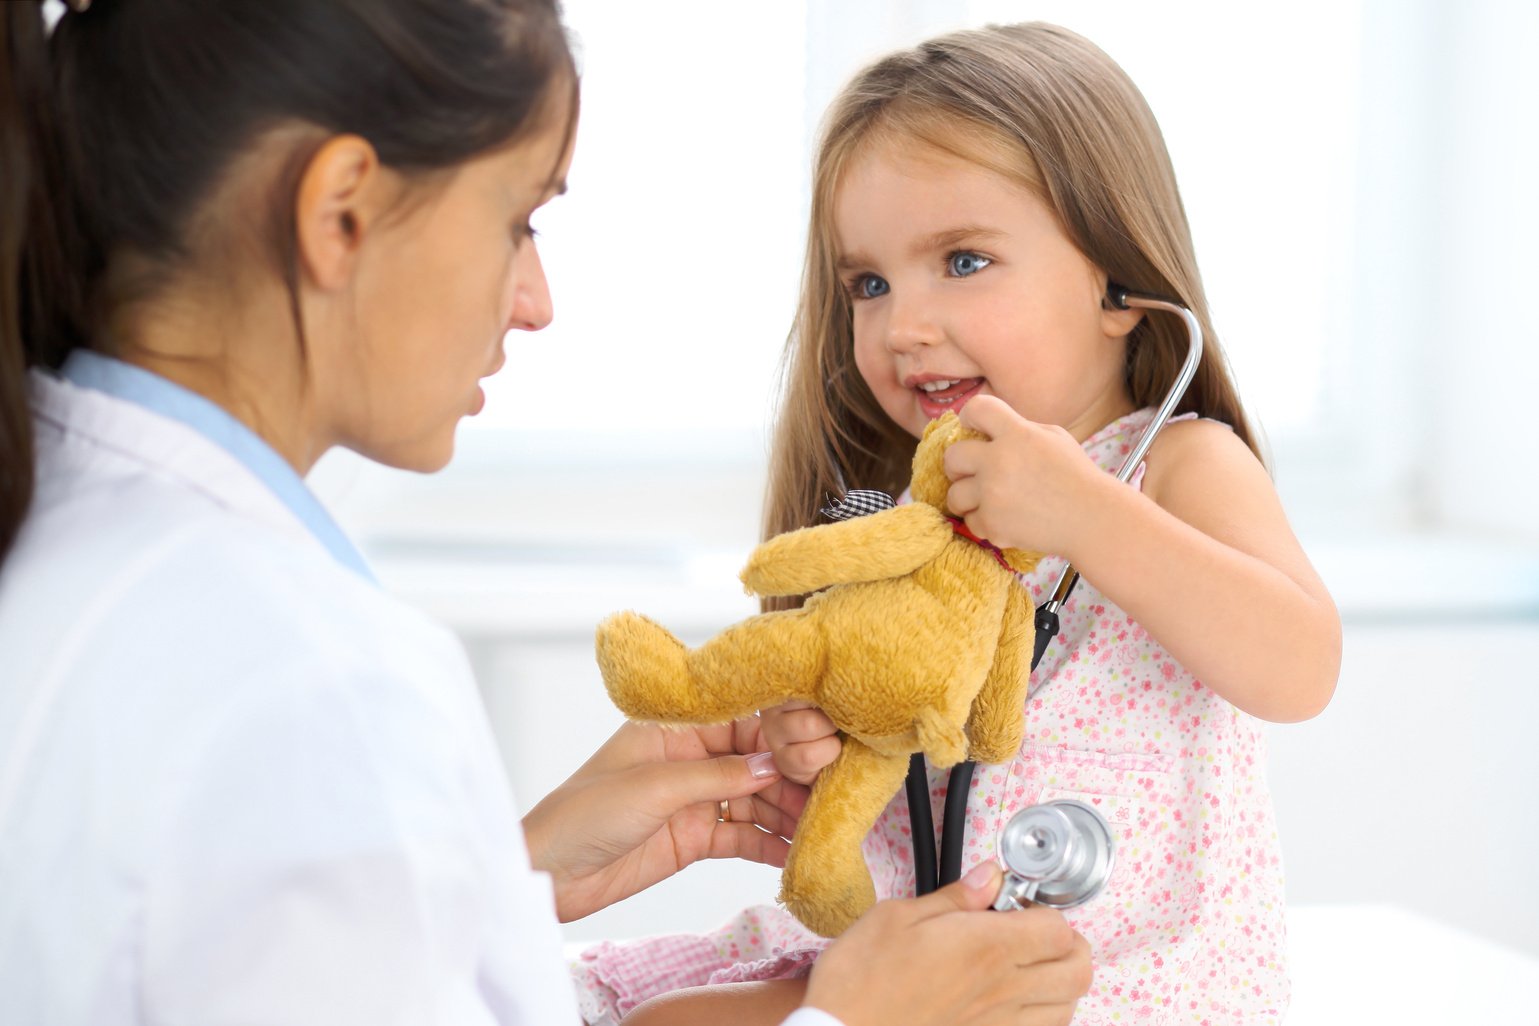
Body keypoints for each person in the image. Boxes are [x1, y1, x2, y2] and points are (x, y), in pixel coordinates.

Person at [0, 2, 1093, 1024]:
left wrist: (505, 881)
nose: (538, 301)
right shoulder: (302, 675)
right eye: (520, 221)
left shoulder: (80, 547)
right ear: (339, 213)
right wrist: (847, 1016)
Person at [572, 21, 1342, 1026]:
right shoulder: (903, 514)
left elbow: (1299, 666)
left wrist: (1086, 513)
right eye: (869, 284)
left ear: (1117, 283)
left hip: (1110, 987)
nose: (902, 326)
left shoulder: (1175, 463)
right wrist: (810, 735)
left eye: (964, 261)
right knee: (630, 1014)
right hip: (899, 967)